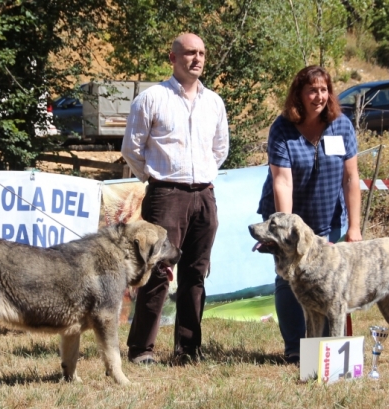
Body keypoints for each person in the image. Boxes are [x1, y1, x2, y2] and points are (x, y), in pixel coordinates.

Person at [121, 33, 229, 365]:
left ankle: (188, 349)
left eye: (201, 53)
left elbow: (220, 150)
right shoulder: (151, 99)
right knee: (156, 272)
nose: (196, 59)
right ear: (172, 58)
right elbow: (132, 150)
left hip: (204, 197)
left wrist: (201, 179)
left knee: (196, 274)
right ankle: (142, 350)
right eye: (189, 54)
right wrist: (159, 180)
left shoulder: (214, 102)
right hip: (165, 196)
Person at [257, 65, 362, 364]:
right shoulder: (282, 127)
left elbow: (351, 178)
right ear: (299, 95)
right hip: (287, 214)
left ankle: (327, 351)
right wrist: (286, 232)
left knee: (330, 282)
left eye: (324, 90)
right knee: (290, 280)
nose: (319, 96)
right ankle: (295, 348)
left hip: (328, 218)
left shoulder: (341, 125)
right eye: (312, 90)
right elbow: (282, 180)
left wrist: (354, 227)